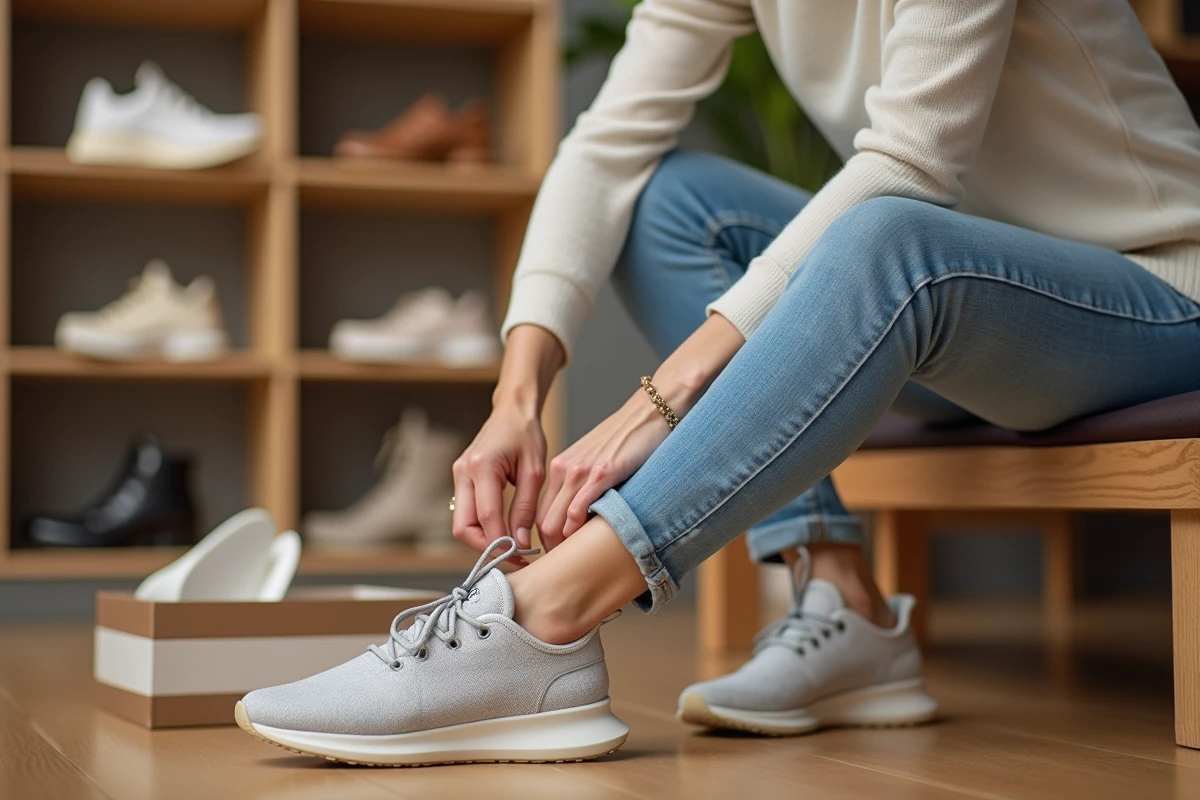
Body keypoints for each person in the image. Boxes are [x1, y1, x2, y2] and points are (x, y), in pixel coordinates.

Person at [236, 0, 1200, 765]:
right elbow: (606, 147)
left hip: (1156, 295)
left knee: (888, 236)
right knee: (665, 201)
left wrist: (664, 393)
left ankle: (549, 620)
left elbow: (912, 164)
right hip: (977, 328)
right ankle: (843, 600)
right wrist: (514, 397)